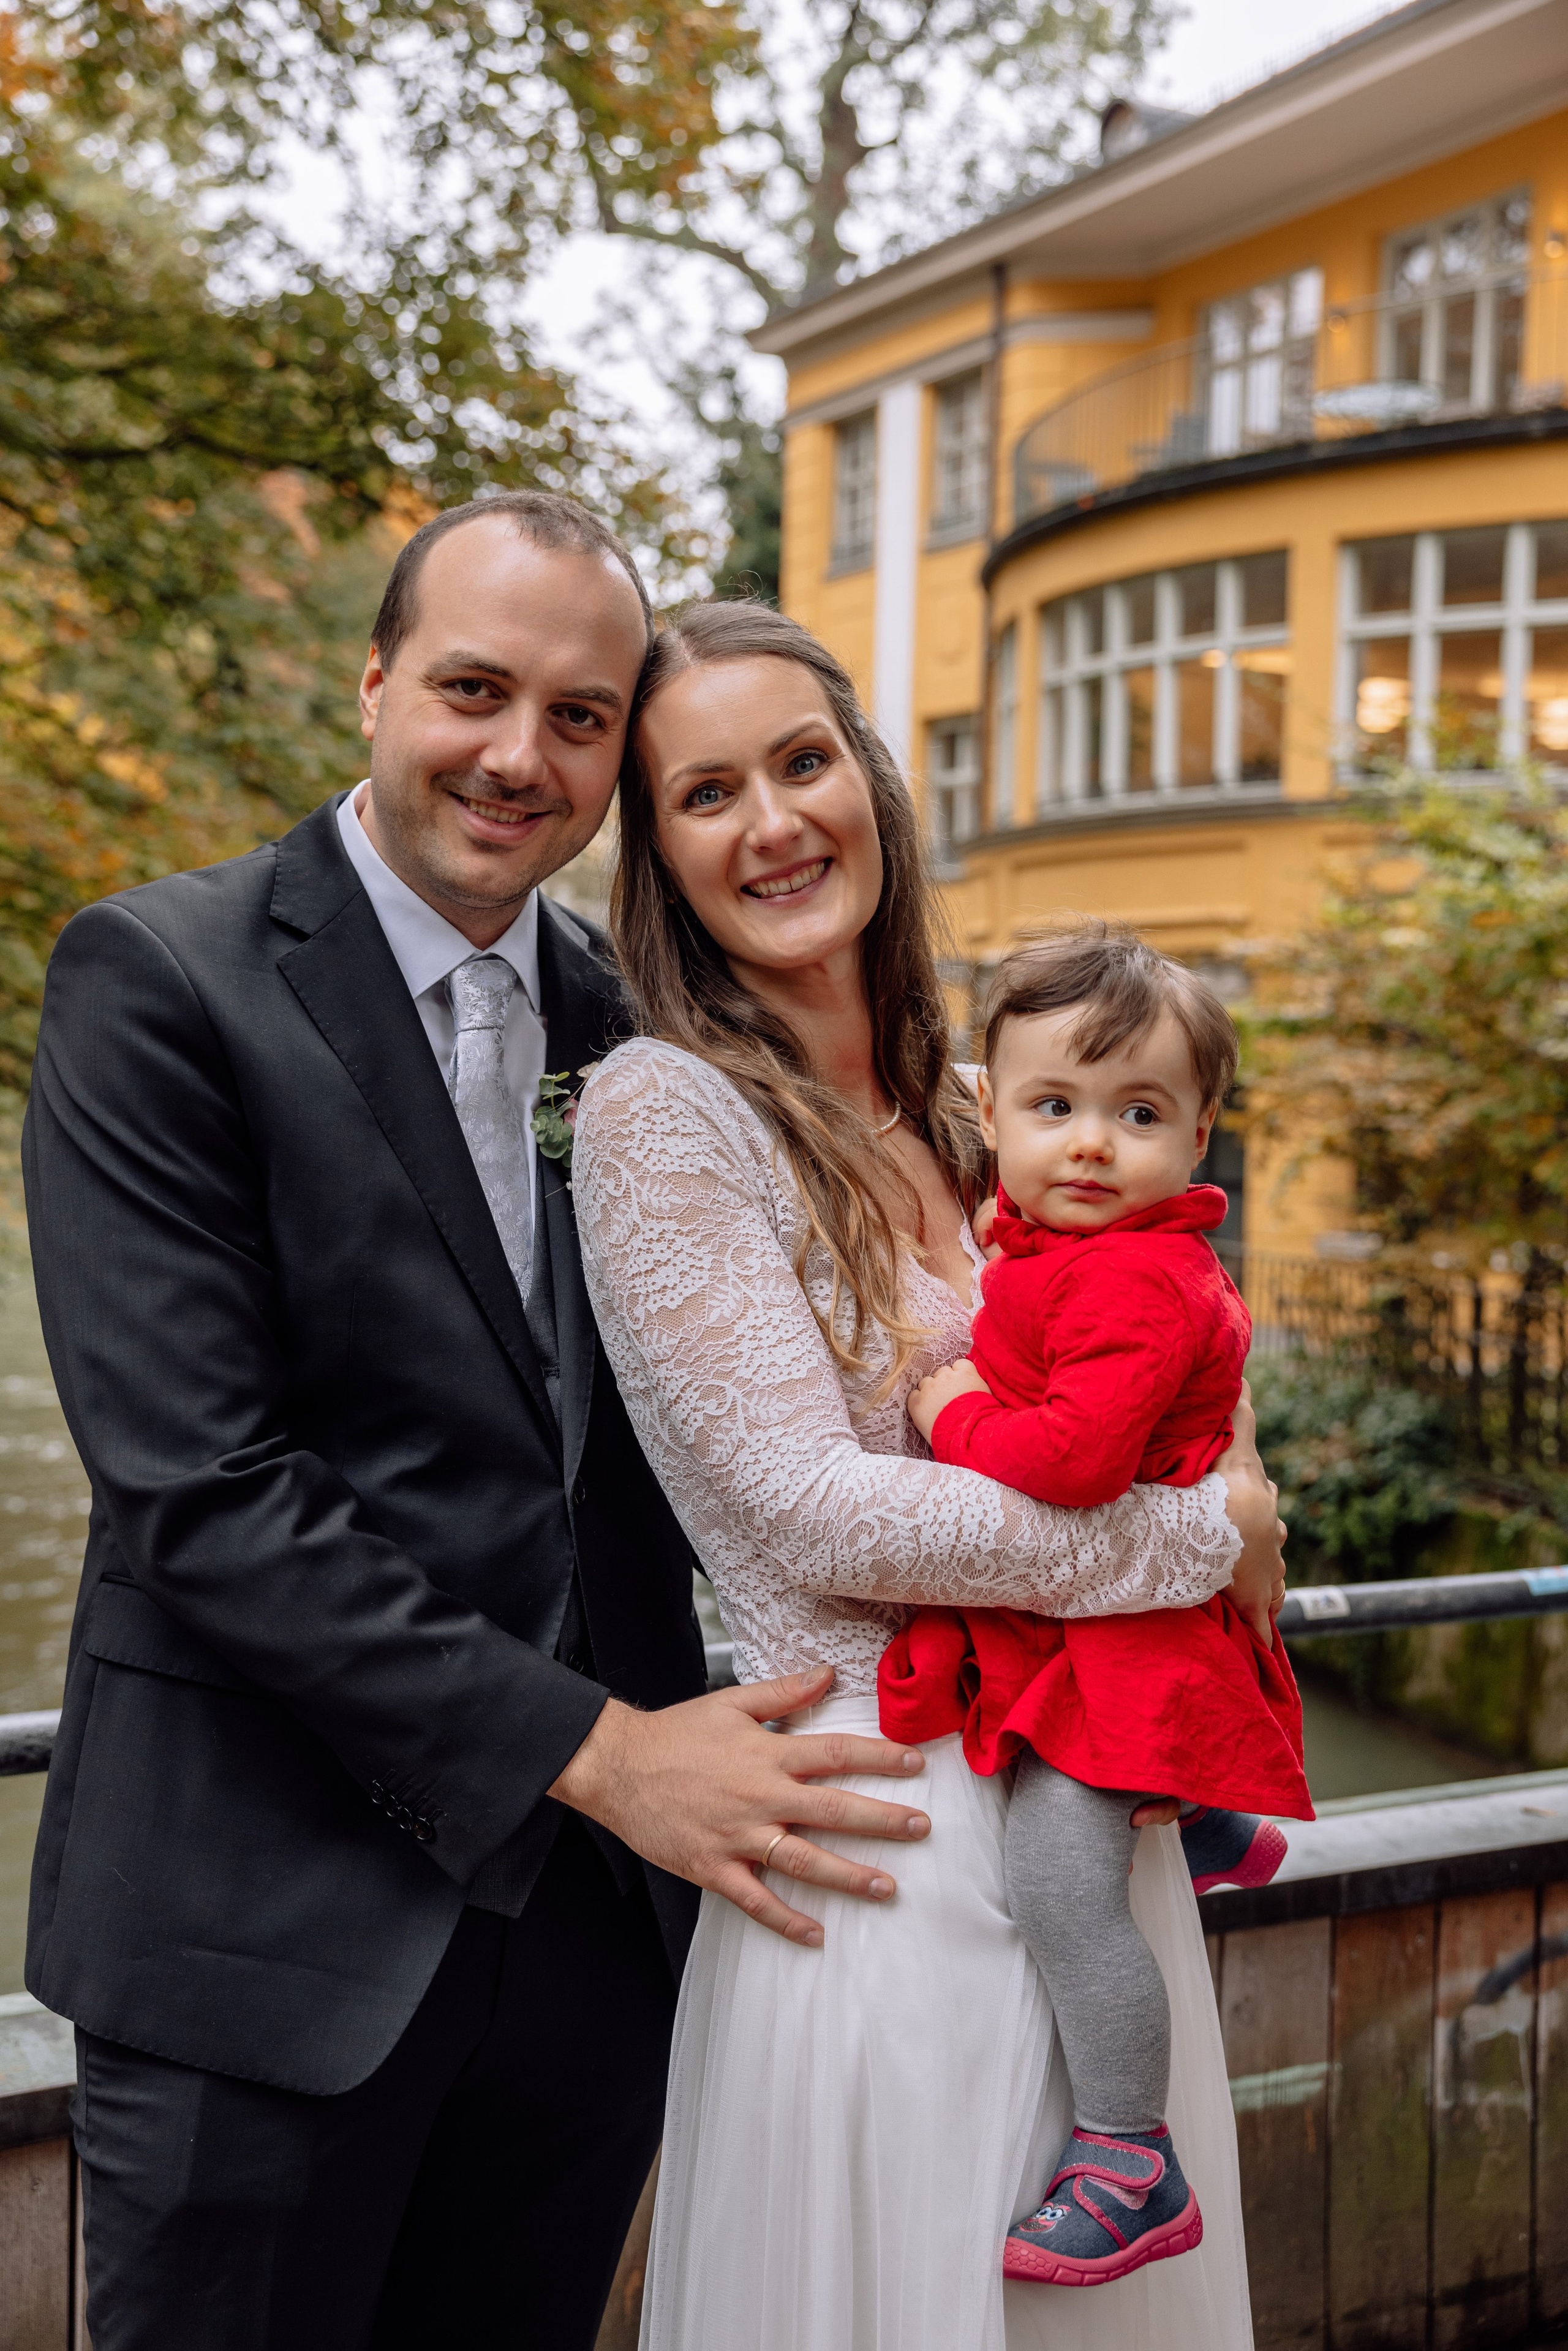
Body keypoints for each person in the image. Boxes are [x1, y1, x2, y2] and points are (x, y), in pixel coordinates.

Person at [21, 493, 939, 2351]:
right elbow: (203, 1491)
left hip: (595, 1954)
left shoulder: (645, 1034)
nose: (521, 756)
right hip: (258, 1941)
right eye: (472, 688)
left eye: (583, 716)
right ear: (373, 682)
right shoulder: (161, 982)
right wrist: (601, 1752)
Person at [571, 597, 1289, 2351]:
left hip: (1090, 1812)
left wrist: (1238, 1462)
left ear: (875, 786)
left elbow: (1190, 1331)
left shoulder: (987, 1103)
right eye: (709, 790)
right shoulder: (664, 1111)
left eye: (806, 761)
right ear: (658, 854)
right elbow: (814, 1508)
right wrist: (1208, 1535)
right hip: (877, 1834)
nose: (775, 821)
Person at [881, 927, 1312, 2290]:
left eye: (1137, 1114)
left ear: (1197, 1137)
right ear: (989, 1112)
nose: (1088, 1144)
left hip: (1130, 1637)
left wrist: (946, 1403)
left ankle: (1130, 2156)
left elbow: (1068, 1468)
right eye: (1051, 1107)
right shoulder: (1063, 1243)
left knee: (1057, 1886)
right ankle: (1217, 1821)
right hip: (1122, 1624)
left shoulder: (1130, 1275)